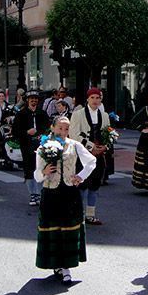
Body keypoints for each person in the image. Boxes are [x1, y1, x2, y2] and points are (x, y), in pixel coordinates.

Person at [34, 116, 97, 285]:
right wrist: (44, 171)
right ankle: (57, 264)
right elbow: (36, 175)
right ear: (53, 128)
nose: (63, 132)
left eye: (66, 129)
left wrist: (80, 177)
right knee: (54, 229)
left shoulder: (74, 145)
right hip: (51, 192)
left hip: (69, 192)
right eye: (60, 128)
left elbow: (91, 161)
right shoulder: (43, 146)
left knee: (68, 228)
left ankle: (66, 267)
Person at [69, 88, 110, 225]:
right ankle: (79, 214)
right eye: (92, 97)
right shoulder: (77, 114)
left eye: (98, 98)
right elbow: (74, 134)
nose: (95, 100)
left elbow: (109, 134)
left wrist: (105, 147)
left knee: (95, 185)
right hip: (82, 155)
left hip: (98, 156)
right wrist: (91, 147)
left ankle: (90, 214)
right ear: (87, 99)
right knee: (82, 185)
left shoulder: (104, 115)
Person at [12, 90, 49, 205]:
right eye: (31, 98)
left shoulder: (42, 113)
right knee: (29, 169)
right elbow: (15, 131)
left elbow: (48, 128)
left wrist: (42, 134)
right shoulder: (21, 114)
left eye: (35, 98)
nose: (34, 100)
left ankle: (39, 193)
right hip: (26, 145)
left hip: (40, 145)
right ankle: (33, 194)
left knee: (41, 167)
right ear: (27, 100)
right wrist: (27, 132)